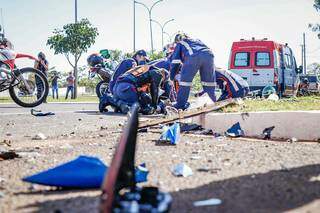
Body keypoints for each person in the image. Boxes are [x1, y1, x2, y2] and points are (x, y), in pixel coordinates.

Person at [170, 33, 216, 110]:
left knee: (185, 82)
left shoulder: (180, 43)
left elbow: (175, 62)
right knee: (209, 83)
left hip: (193, 56)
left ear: (177, 40)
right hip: (209, 55)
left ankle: (180, 105)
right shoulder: (197, 41)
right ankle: (211, 102)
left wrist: (171, 77)